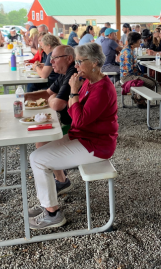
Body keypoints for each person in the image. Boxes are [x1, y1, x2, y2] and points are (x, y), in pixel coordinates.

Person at [28, 43, 118, 229]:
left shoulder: (101, 88)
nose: (76, 66)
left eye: (79, 62)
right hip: (84, 137)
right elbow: (72, 109)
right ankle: (48, 204)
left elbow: (78, 120)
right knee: (39, 153)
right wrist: (74, 96)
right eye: (75, 61)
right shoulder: (88, 81)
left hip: (96, 145)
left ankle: (52, 213)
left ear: (94, 63)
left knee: (37, 159)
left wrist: (74, 92)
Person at [25, 45, 78, 146]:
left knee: (41, 143)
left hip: (75, 126)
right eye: (51, 58)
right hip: (68, 122)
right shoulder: (64, 72)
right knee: (40, 139)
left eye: (55, 58)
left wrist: (52, 98)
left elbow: (57, 105)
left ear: (69, 58)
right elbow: (47, 93)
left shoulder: (73, 73)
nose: (51, 61)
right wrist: (25, 96)